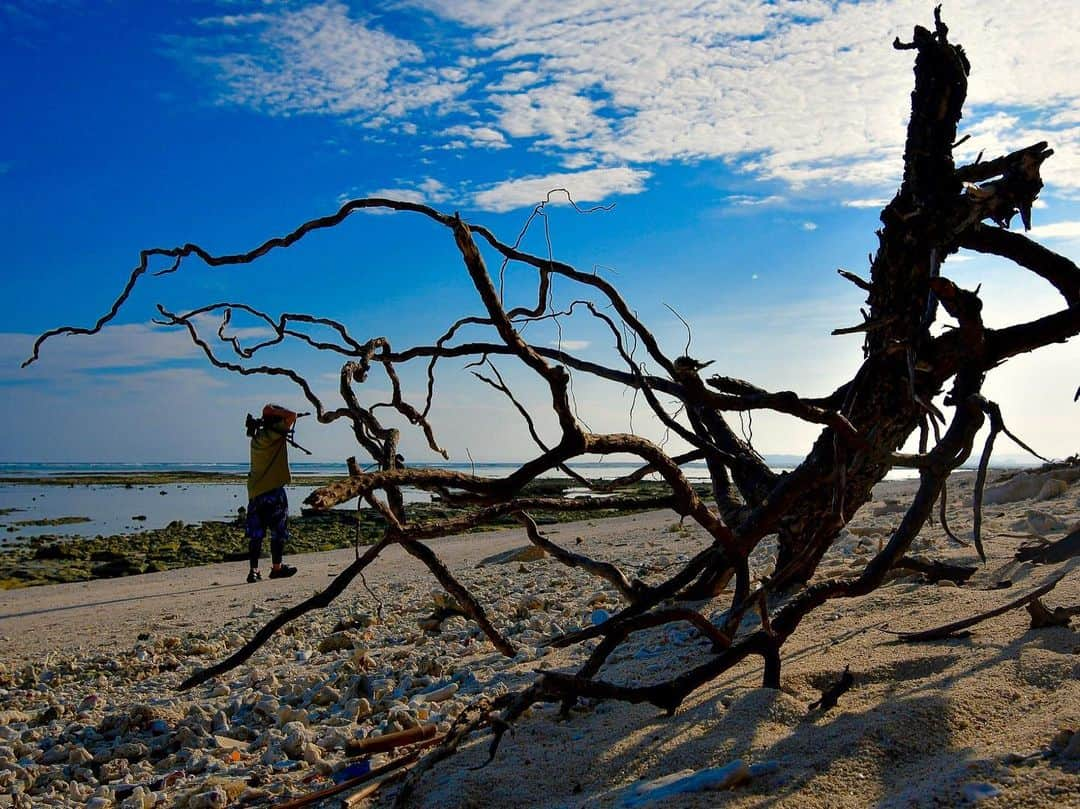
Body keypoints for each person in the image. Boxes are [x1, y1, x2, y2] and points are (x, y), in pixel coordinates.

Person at [245, 403, 300, 583]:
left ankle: (254, 571)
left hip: (255, 492)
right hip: (274, 491)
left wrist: (269, 414)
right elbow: (292, 414)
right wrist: (272, 409)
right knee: (278, 532)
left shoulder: (257, 438)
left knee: (256, 534)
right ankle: (276, 568)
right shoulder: (274, 434)